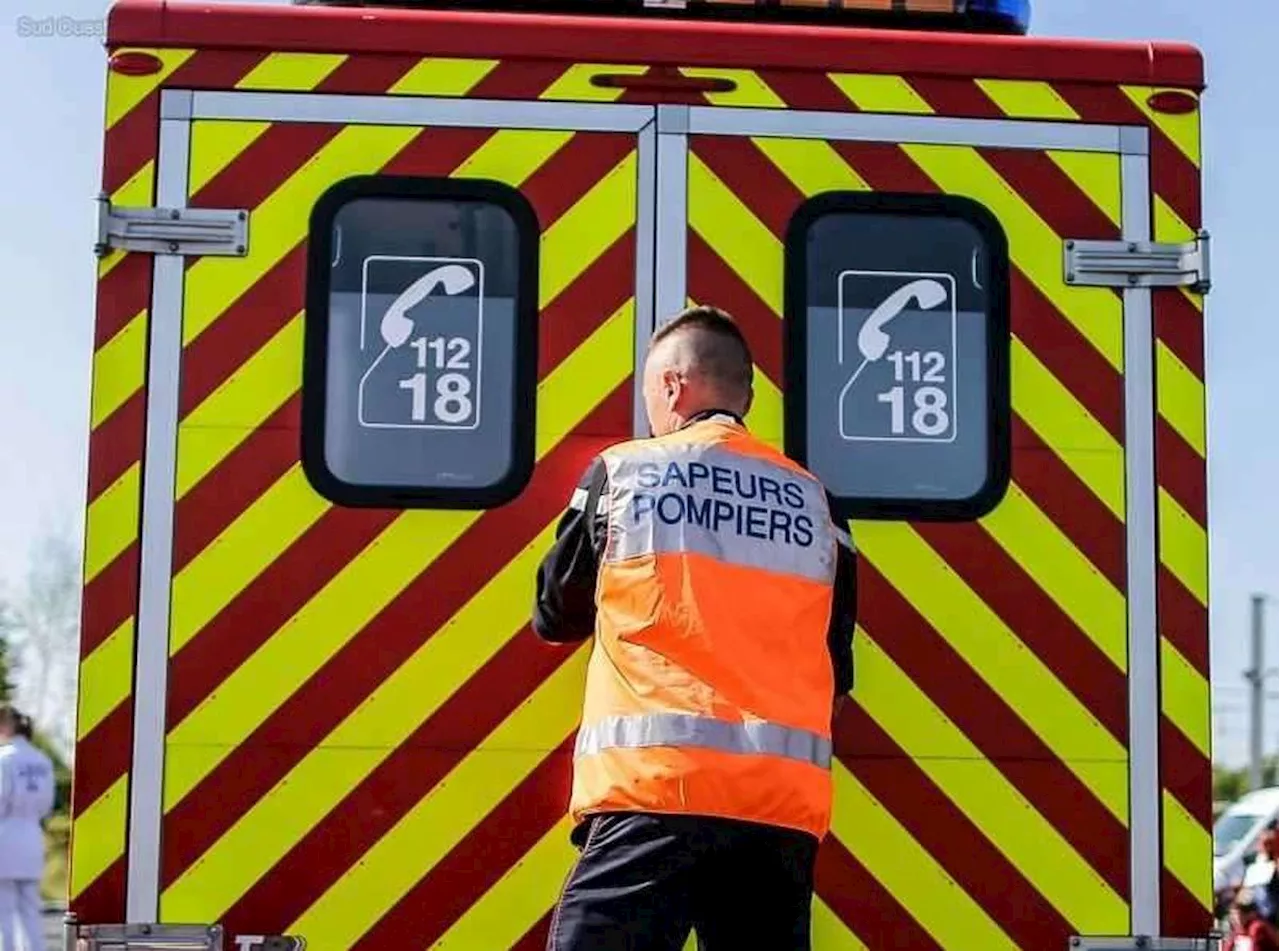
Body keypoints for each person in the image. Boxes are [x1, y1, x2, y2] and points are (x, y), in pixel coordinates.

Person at [533, 305, 857, 950]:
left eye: (652, 391)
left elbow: (555, 614)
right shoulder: (816, 502)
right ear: (748, 395)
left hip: (655, 792)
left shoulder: (622, 474)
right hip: (777, 812)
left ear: (673, 387)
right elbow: (837, 667)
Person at [0, 705, 54, 951]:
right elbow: (47, 805)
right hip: (32, 836)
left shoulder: (5, 759)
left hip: (5, 835)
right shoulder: (42, 760)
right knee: (31, 910)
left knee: (4, 909)